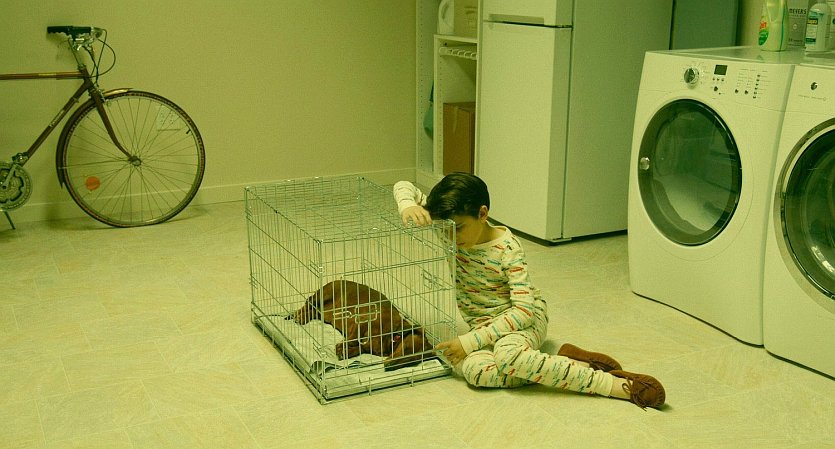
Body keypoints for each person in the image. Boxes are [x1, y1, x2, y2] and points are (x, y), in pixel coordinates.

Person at [393, 173, 665, 409]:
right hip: (485, 327)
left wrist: (469, 342)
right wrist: (408, 205)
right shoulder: (450, 224)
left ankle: (611, 384)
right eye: (445, 229)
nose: (450, 237)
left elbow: (524, 311)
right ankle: (562, 362)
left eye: (459, 229)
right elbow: (403, 185)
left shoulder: (508, 249)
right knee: (475, 372)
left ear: (482, 214)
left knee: (507, 357)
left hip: (525, 320)